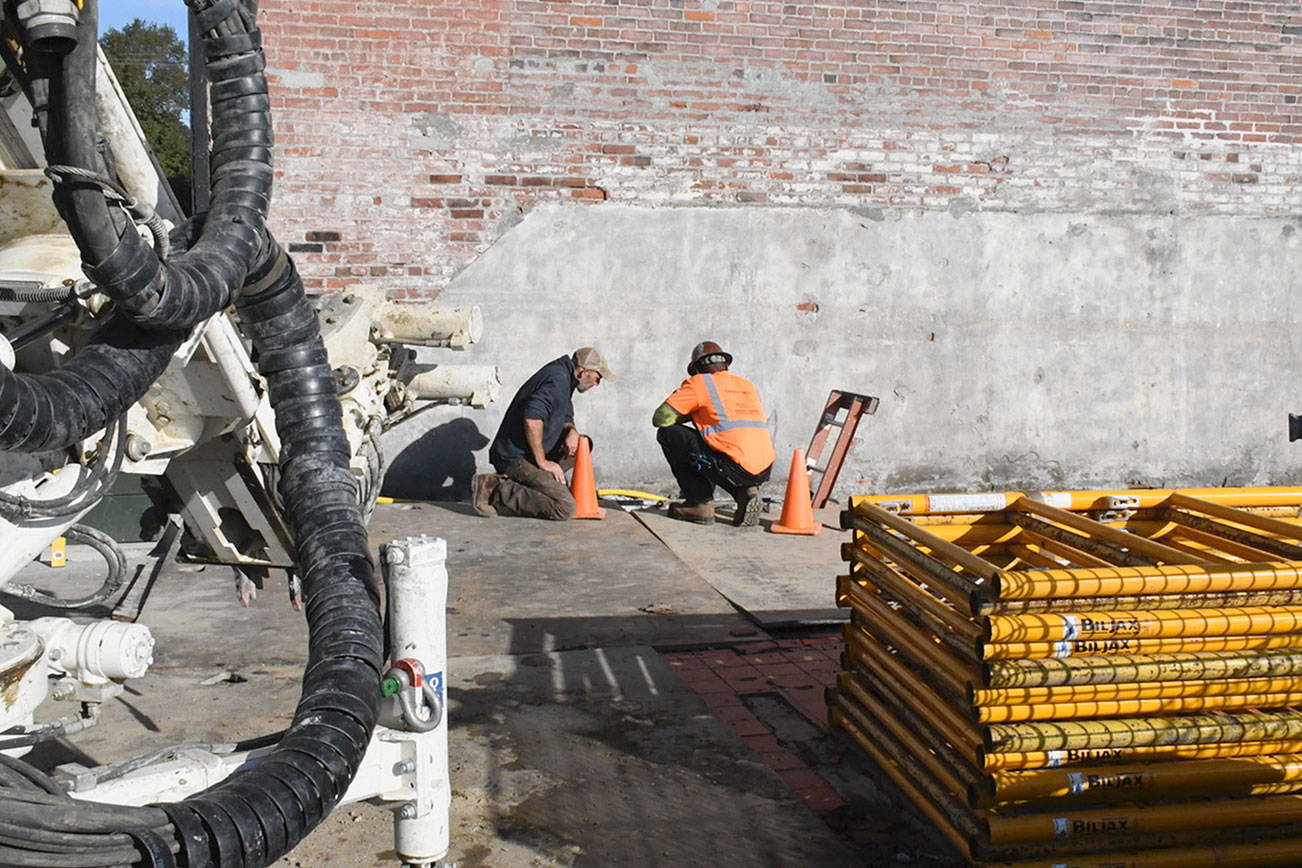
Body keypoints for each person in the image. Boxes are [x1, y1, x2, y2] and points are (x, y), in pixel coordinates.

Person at [472, 346, 614, 519]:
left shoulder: (565, 376)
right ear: (584, 372)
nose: (597, 384)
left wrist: (571, 431)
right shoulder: (557, 381)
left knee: (583, 444)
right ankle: (495, 489)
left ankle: (540, 485)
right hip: (514, 458)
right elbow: (532, 419)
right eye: (597, 378)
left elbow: (565, 413)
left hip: (528, 452)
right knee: (565, 508)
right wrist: (543, 462)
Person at [652, 341, 774, 526]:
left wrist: (692, 413)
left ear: (696, 368)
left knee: (670, 434)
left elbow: (661, 418)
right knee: (718, 444)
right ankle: (745, 492)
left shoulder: (699, 383)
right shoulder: (746, 385)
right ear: (725, 364)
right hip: (764, 468)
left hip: (732, 466)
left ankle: (699, 503)